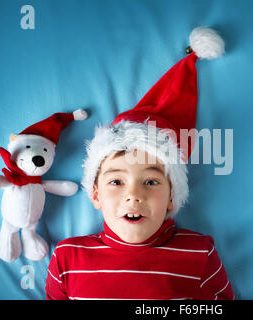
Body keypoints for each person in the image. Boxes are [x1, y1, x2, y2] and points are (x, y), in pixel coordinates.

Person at [45, 27, 235, 300]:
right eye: (116, 181)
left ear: (171, 197)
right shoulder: (67, 258)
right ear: (96, 194)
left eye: (150, 181)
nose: (133, 195)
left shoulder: (199, 253)